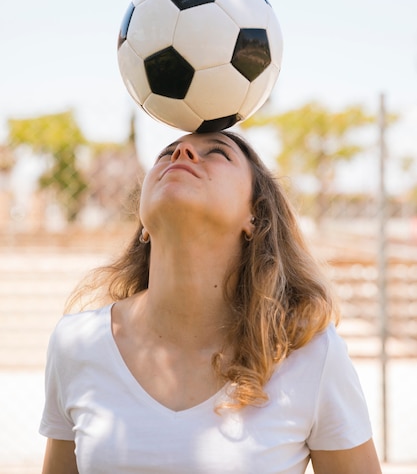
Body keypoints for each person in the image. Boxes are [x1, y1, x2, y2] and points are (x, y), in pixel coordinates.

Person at [40, 130, 382, 474]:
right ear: (142, 222)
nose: (183, 151)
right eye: (166, 153)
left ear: (254, 216)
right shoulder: (77, 342)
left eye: (218, 153)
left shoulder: (308, 352)